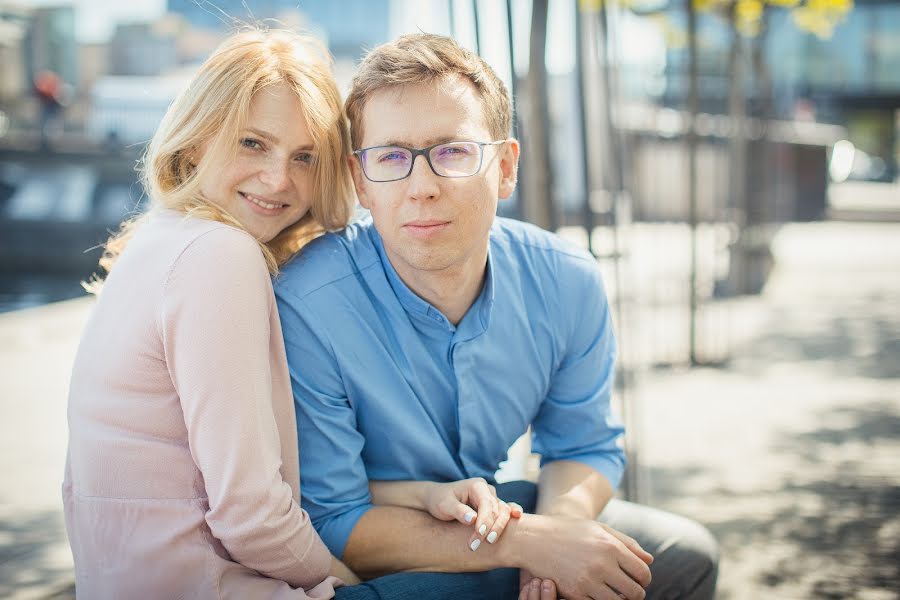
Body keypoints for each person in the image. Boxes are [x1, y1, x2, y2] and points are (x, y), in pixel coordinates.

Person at [62, 29, 517, 599]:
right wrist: (355, 584)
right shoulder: (219, 257)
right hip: (220, 587)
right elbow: (252, 516)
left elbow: (250, 485)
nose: (279, 180)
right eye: (253, 143)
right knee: (519, 565)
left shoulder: (160, 239)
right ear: (198, 139)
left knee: (501, 516)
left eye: (304, 157)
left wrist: (422, 495)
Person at [275, 33, 720, 600]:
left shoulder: (566, 280)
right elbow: (334, 518)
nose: (422, 187)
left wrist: (559, 535)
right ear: (360, 180)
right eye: (390, 158)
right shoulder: (310, 302)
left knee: (683, 558)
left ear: (505, 167)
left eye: (452, 152)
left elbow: (583, 447)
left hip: (492, 513)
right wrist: (528, 544)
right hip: (380, 559)